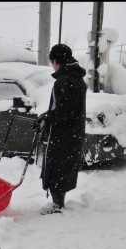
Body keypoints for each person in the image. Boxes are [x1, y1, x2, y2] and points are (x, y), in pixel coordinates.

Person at [35, 44, 87, 215]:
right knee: (63, 169)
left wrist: (47, 119)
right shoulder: (77, 79)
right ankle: (59, 202)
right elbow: (67, 109)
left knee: (57, 169)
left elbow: (64, 112)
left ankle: (58, 206)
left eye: (52, 61)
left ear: (56, 61)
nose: (52, 65)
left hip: (62, 135)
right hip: (73, 134)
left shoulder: (64, 81)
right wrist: (47, 116)